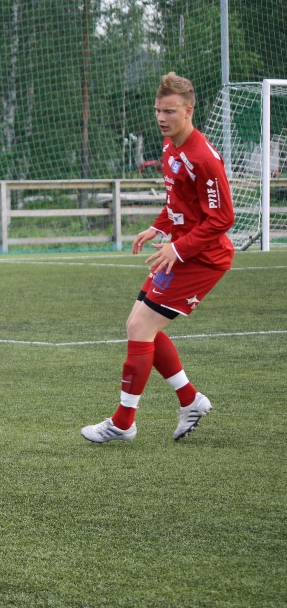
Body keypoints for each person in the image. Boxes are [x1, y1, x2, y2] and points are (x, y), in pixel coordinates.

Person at [82, 73, 235, 443]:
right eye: (158, 111)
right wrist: (158, 228)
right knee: (139, 324)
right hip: (179, 253)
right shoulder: (170, 148)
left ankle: (123, 423)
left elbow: (222, 218)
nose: (161, 118)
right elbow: (178, 202)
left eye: (169, 111)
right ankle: (190, 400)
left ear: (188, 110)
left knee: (140, 328)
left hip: (203, 259)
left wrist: (177, 248)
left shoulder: (203, 158)